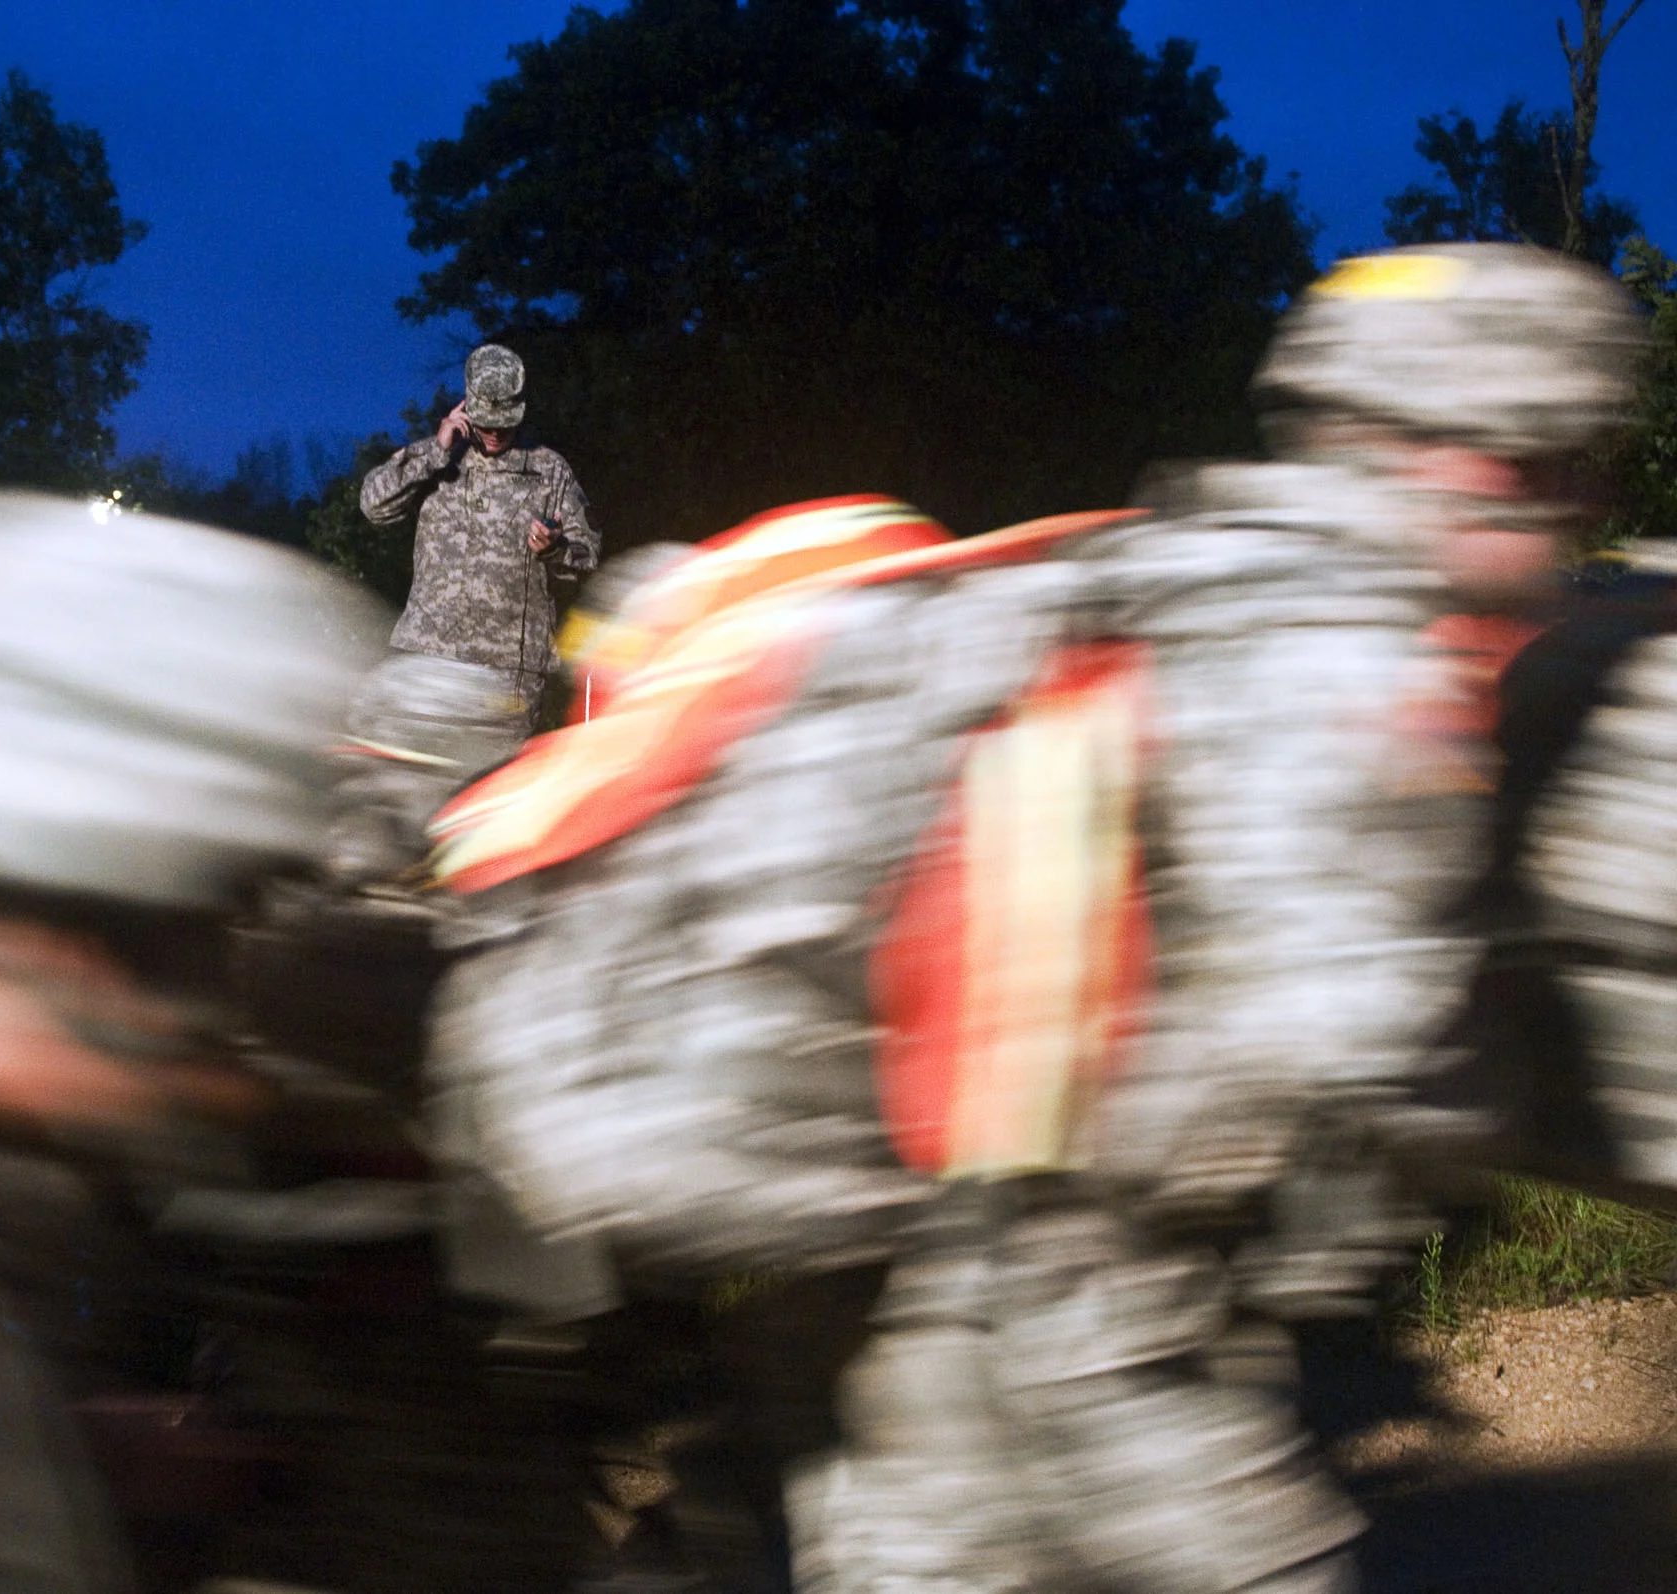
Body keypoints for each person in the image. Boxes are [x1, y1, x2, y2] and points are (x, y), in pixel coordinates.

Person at [422, 243, 1646, 1593]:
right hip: (1060, 1279)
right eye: (1564, 466)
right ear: (1483, 454)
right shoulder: (1339, 640)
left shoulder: (1193, 564)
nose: (1572, 519)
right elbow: (1339, 1029)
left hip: (908, 1208)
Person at [361, 343, 600, 724]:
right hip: (430, 659)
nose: (493, 433)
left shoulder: (549, 470)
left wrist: (555, 549)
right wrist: (433, 452)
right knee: (423, 779)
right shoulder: (438, 458)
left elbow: (587, 556)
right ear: (467, 407)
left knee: (494, 783)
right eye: (486, 422)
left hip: (509, 674)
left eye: (503, 424)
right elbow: (375, 506)